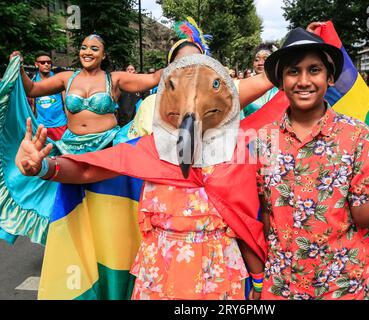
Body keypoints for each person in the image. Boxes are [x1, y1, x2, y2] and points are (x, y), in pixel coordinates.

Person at [15, 54, 267, 300]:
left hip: (218, 272)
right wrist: (43, 167)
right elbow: (87, 169)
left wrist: (258, 278)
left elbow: (244, 220)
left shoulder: (236, 154)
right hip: (159, 271)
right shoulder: (149, 148)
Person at [253, 27, 369, 300]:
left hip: (341, 283)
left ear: (330, 78)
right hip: (283, 283)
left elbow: (363, 216)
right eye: (293, 71)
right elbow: (267, 216)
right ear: (281, 81)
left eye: (314, 70)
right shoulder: (263, 139)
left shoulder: (355, 136)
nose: (303, 80)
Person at [9, 34, 162, 154]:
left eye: (94, 49)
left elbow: (154, 78)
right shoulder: (66, 78)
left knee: (103, 193)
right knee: (73, 192)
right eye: (83, 48)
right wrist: (20, 68)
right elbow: (32, 89)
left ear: (103, 55)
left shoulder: (114, 78)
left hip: (107, 146)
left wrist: (181, 60)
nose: (87, 52)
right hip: (70, 147)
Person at [127, 17, 276, 139]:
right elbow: (136, 154)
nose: (190, 70)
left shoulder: (220, 96)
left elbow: (266, 78)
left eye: (197, 63)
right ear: (169, 68)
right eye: (182, 63)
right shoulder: (151, 104)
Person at [31, 52, 67, 141]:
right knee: (42, 152)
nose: (46, 64)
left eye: (49, 62)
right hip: (41, 125)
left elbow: (66, 103)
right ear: (36, 64)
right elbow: (33, 104)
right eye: (43, 62)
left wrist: (69, 123)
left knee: (60, 153)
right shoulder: (33, 81)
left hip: (60, 124)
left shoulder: (58, 79)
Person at [240, 42, 279, 119]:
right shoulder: (243, 88)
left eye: (266, 59)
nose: (260, 63)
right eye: (257, 60)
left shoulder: (282, 88)